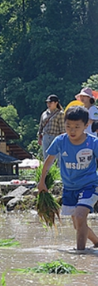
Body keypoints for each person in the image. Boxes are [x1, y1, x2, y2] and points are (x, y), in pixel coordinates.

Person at [38, 105, 98, 251]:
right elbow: (49, 160)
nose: (72, 130)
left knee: (79, 216)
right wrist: (42, 182)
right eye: (68, 126)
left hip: (89, 185)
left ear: (86, 125)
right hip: (69, 188)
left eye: (77, 127)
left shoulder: (93, 142)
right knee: (78, 224)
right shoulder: (60, 141)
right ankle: (97, 242)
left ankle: (80, 253)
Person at [38, 95, 65, 161]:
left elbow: (62, 128)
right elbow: (41, 126)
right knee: (46, 156)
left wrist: (62, 140)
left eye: (51, 102)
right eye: (48, 103)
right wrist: (39, 137)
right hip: (45, 136)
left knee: (57, 156)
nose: (48, 104)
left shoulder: (60, 113)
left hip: (56, 137)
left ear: (56, 103)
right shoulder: (44, 113)